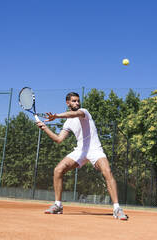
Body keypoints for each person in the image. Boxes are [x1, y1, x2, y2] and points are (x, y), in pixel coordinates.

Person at [35, 92, 128, 221]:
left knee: (107, 171)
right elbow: (58, 139)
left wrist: (56, 116)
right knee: (58, 170)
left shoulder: (83, 112)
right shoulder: (67, 123)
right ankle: (58, 205)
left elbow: (73, 114)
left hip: (95, 149)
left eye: (78, 101)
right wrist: (45, 128)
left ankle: (117, 208)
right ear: (67, 103)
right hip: (80, 150)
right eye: (74, 101)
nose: (77, 103)